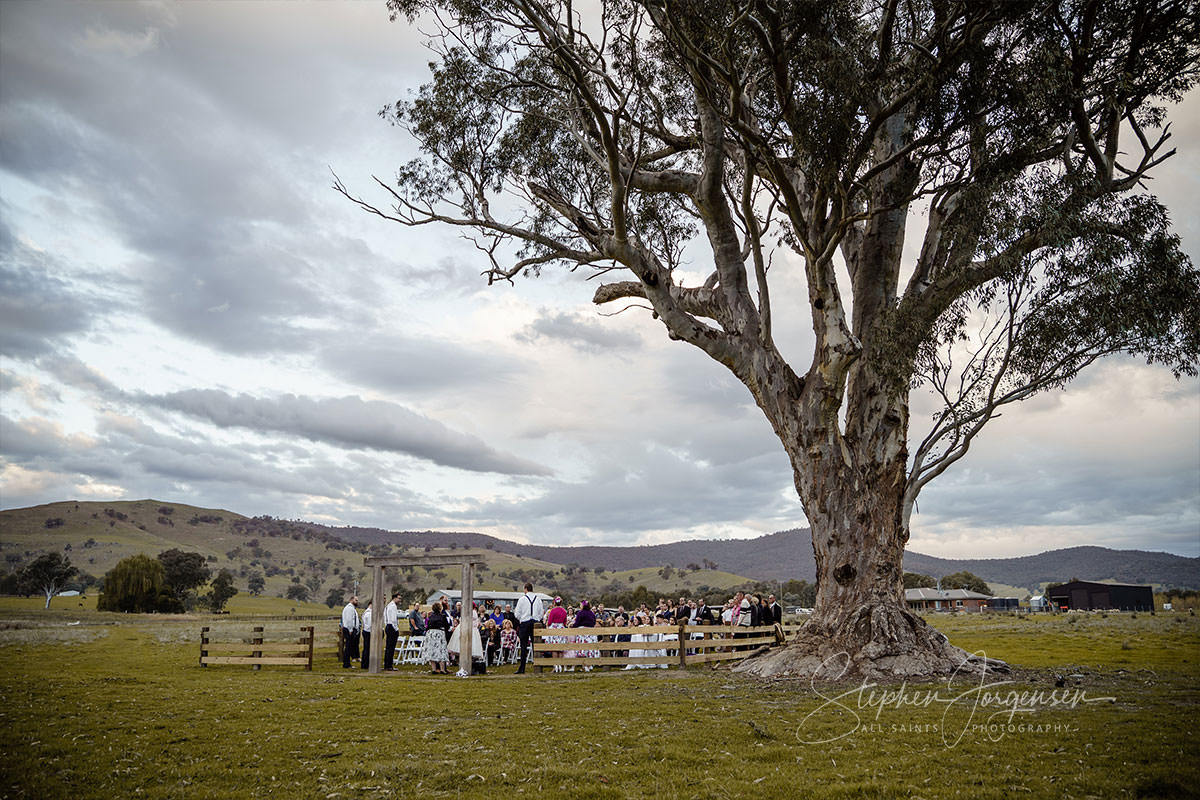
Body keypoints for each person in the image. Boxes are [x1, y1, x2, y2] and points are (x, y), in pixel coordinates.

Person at [514, 583, 545, 674]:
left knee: (524, 646)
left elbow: (517, 613)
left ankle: (522, 668)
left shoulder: (522, 599)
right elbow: (541, 613)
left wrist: (521, 619)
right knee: (536, 645)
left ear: (525, 589)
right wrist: (537, 619)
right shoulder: (538, 599)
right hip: (535, 623)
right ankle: (538, 666)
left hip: (525, 622)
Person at [421, 599, 450, 674]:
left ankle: (434, 669)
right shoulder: (442, 616)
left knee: (432, 651)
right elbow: (447, 626)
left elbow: (427, 626)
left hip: (430, 633)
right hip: (439, 633)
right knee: (440, 650)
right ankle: (442, 669)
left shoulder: (430, 616)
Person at [383, 592, 402, 671]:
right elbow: (393, 619)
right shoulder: (393, 606)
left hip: (388, 625)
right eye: (399, 598)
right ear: (395, 598)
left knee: (388, 647)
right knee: (391, 647)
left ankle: (387, 664)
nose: (400, 600)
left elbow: (385, 616)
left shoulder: (388, 606)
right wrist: (396, 629)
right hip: (392, 627)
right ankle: (389, 665)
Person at [340, 595, 361, 668]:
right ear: (351, 600)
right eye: (356, 600)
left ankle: (347, 663)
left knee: (350, 646)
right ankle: (346, 663)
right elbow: (349, 620)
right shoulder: (349, 609)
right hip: (349, 629)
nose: (357, 602)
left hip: (351, 629)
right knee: (348, 647)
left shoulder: (352, 608)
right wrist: (350, 630)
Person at [360, 600, 372, 671]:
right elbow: (370, 624)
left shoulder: (366, 612)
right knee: (367, 649)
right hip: (368, 631)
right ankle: (365, 664)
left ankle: (365, 663)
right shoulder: (369, 613)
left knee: (366, 648)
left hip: (366, 630)